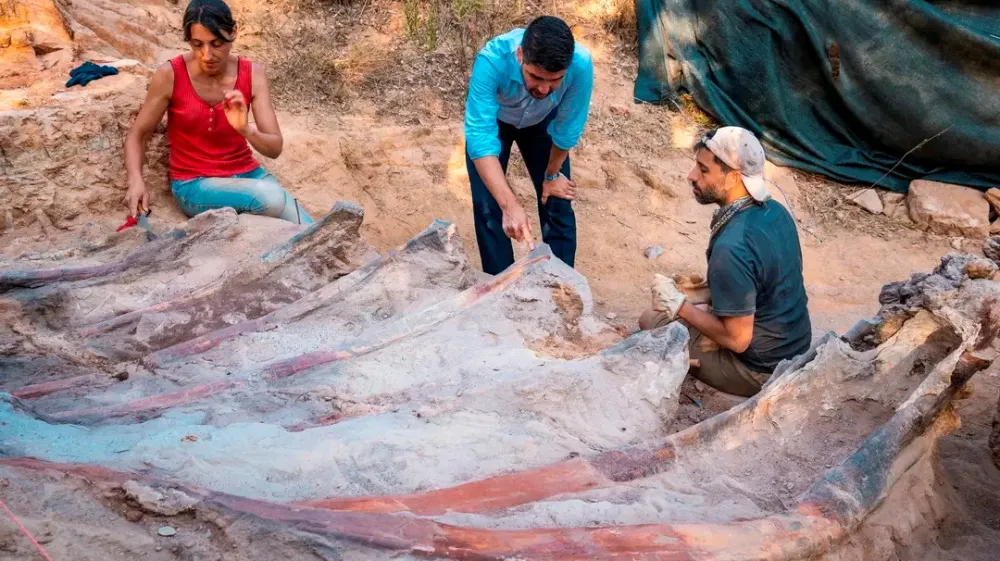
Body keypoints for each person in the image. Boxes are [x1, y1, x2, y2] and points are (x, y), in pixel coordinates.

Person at [639, 126, 812, 397]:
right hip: (796, 346)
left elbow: (738, 340)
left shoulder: (732, 248)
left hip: (760, 369)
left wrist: (680, 306)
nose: (691, 176)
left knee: (652, 319)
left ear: (733, 177)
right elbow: (766, 279)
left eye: (704, 170)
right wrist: (703, 292)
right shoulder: (775, 211)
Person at [123, 0, 313, 224]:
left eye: (217, 43)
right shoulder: (170, 75)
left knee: (310, 227)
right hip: (194, 184)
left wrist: (244, 129)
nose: (207, 55)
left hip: (248, 175)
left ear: (234, 32)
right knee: (272, 198)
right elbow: (138, 135)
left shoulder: (253, 74)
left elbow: (274, 148)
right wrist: (136, 181)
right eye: (197, 44)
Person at [464, 15, 594, 274]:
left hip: (544, 122)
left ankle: (562, 285)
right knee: (490, 205)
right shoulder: (492, 60)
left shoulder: (580, 65)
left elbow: (567, 128)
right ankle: (499, 287)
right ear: (521, 55)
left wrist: (552, 174)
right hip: (497, 122)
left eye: (554, 80)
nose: (544, 89)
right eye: (536, 77)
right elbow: (480, 137)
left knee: (557, 199)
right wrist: (509, 205)